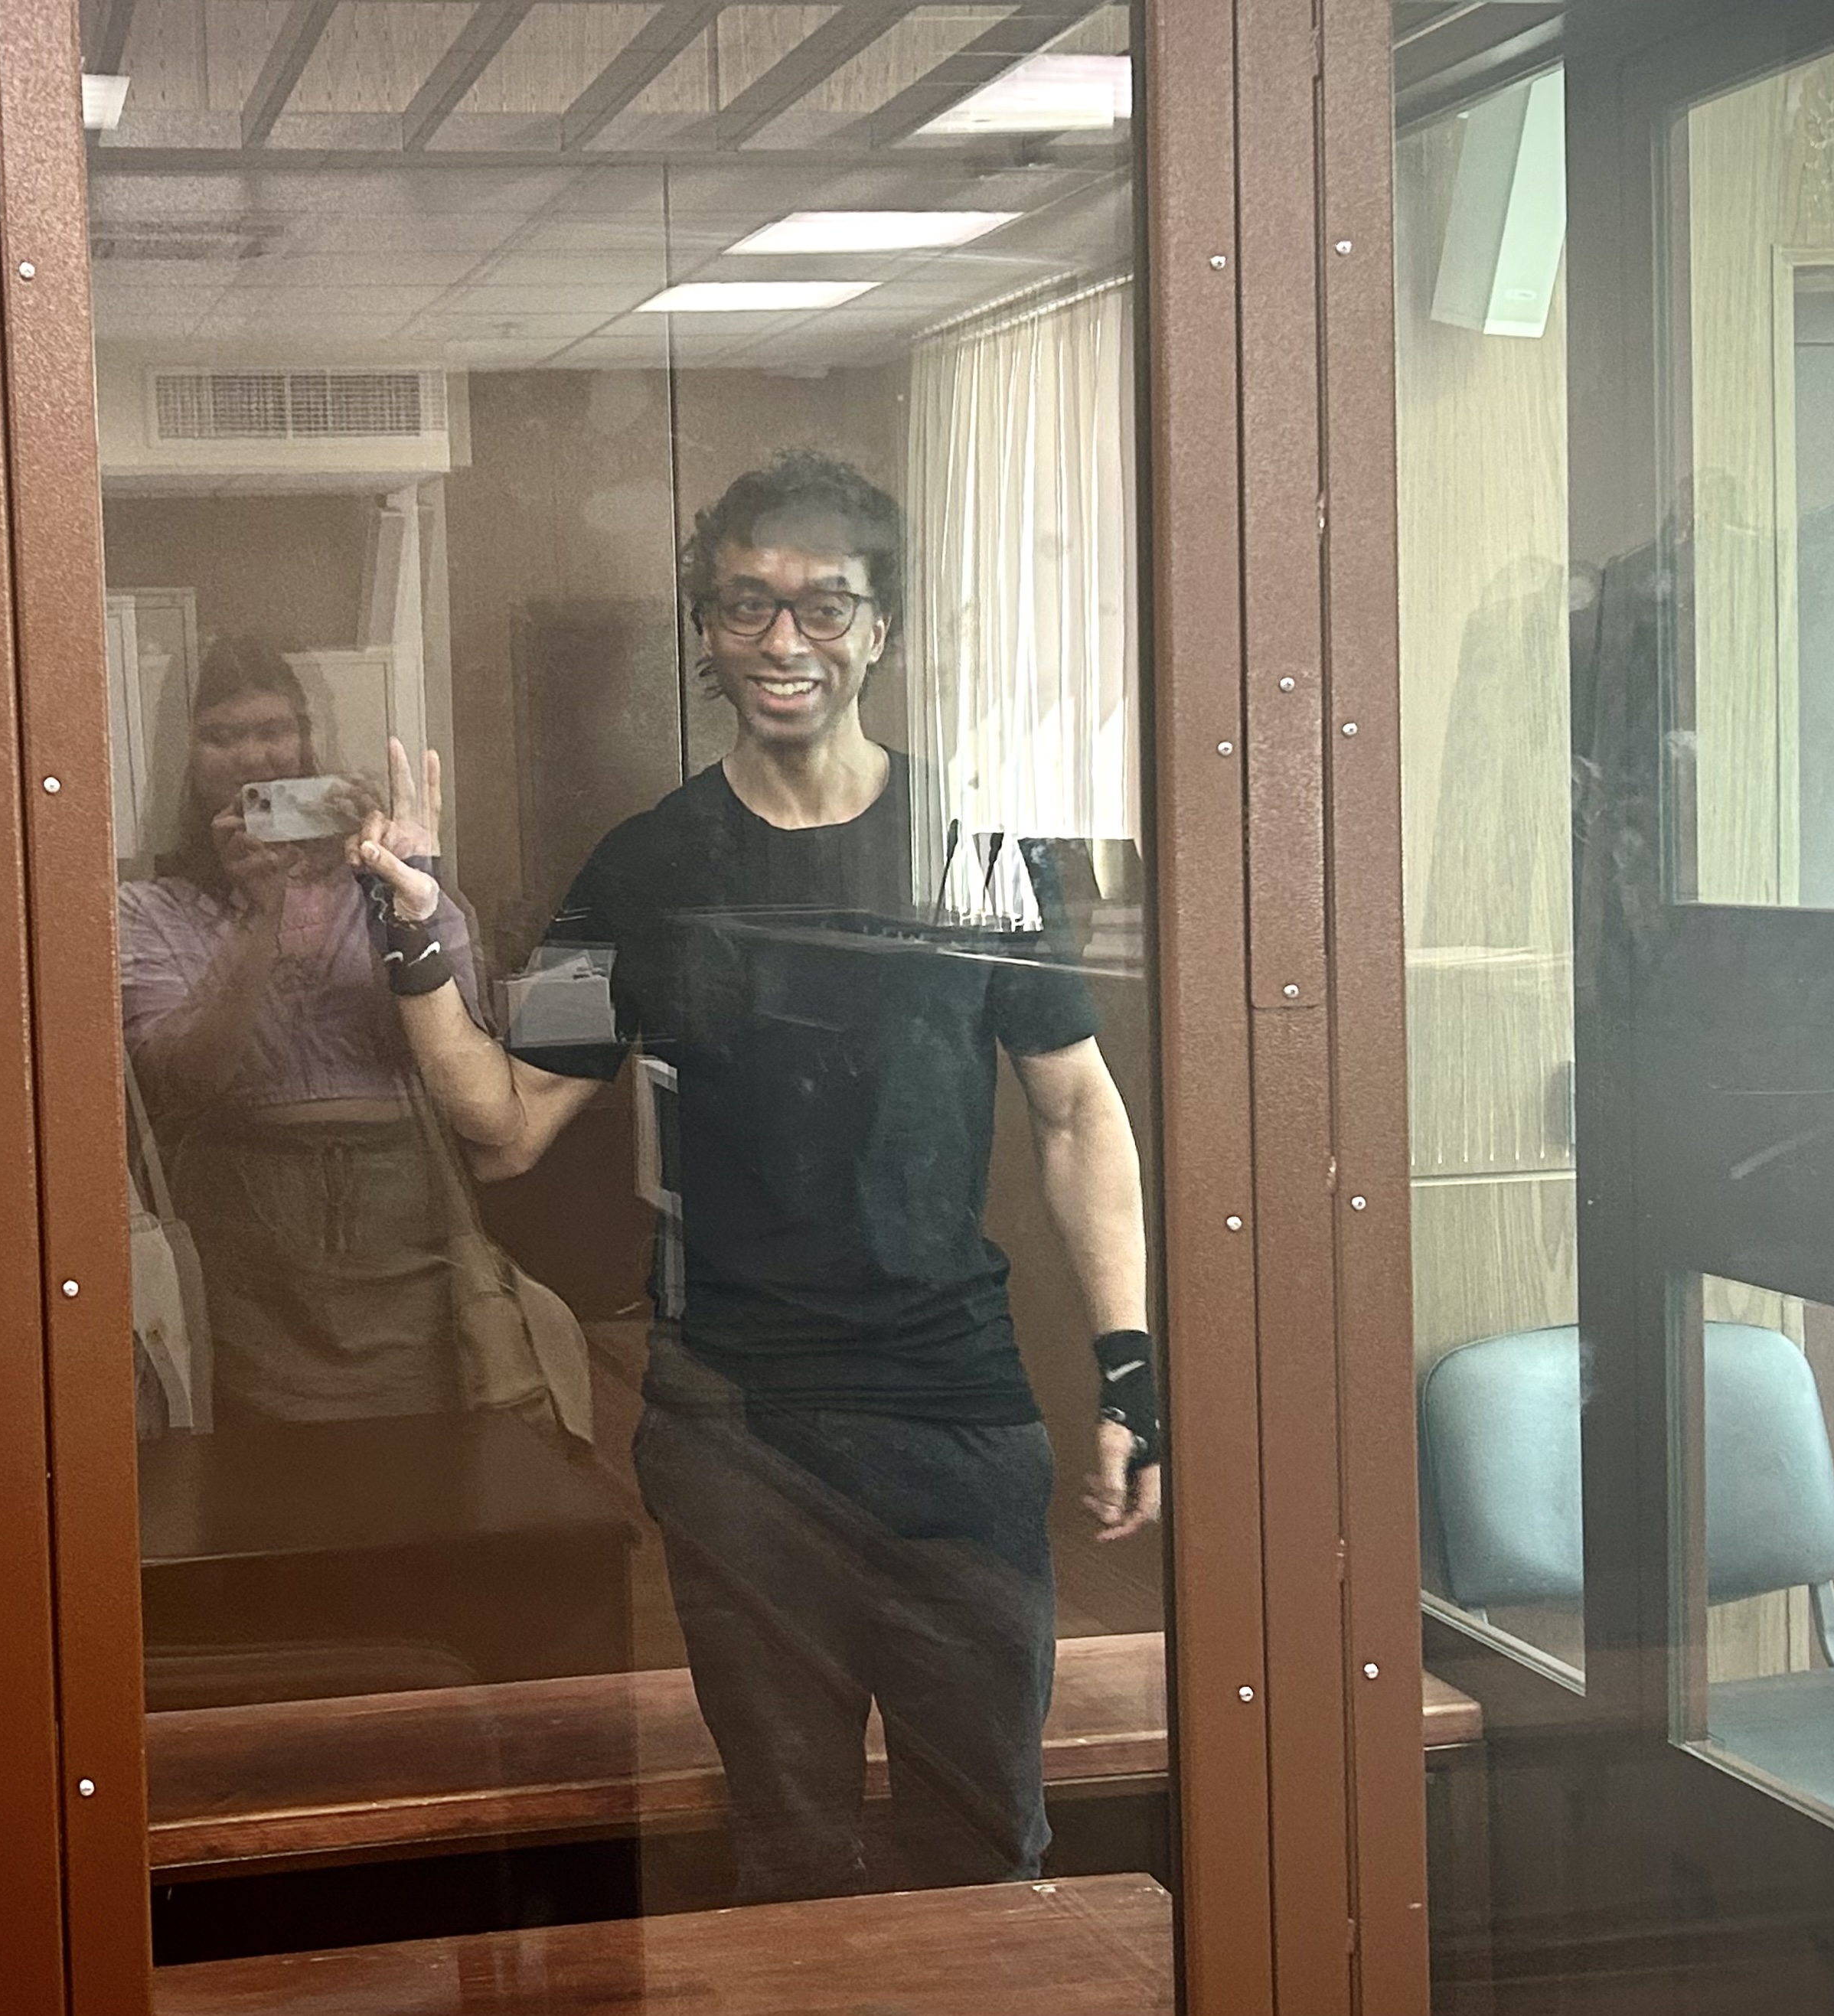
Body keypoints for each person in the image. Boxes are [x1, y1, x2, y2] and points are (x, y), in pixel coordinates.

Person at [359, 451, 1160, 1900]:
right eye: (747, 605)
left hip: (952, 1423)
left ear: (879, 627)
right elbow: (510, 1117)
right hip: (740, 1437)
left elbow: (1075, 1114)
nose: (785, 639)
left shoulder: (979, 845)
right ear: (707, 630)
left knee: (987, 1850)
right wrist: (411, 935)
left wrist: (1127, 1371)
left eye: (823, 605)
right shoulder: (642, 868)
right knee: (789, 1851)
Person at [116, 638, 483, 1424]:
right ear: (186, 757)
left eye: (274, 729)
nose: (253, 755)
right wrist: (261, 916)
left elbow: (463, 1047)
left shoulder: (379, 884)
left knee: (420, 1457)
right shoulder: (148, 908)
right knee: (256, 1463)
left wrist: (406, 893)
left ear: (309, 740)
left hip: (402, 1228)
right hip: (239, 1235)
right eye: (221, 734)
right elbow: (178, 1082)